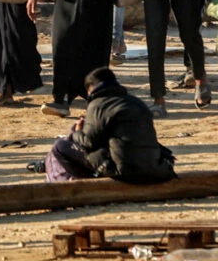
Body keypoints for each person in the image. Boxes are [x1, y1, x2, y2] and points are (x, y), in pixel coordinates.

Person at [43, 66, 175, 184]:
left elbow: (88, 142)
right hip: (156, 168)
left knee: (60, 146)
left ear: (90, 89)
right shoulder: (137, 102)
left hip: (123, 171)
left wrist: (76, 133)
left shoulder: (98, 104)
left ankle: (89, 184)